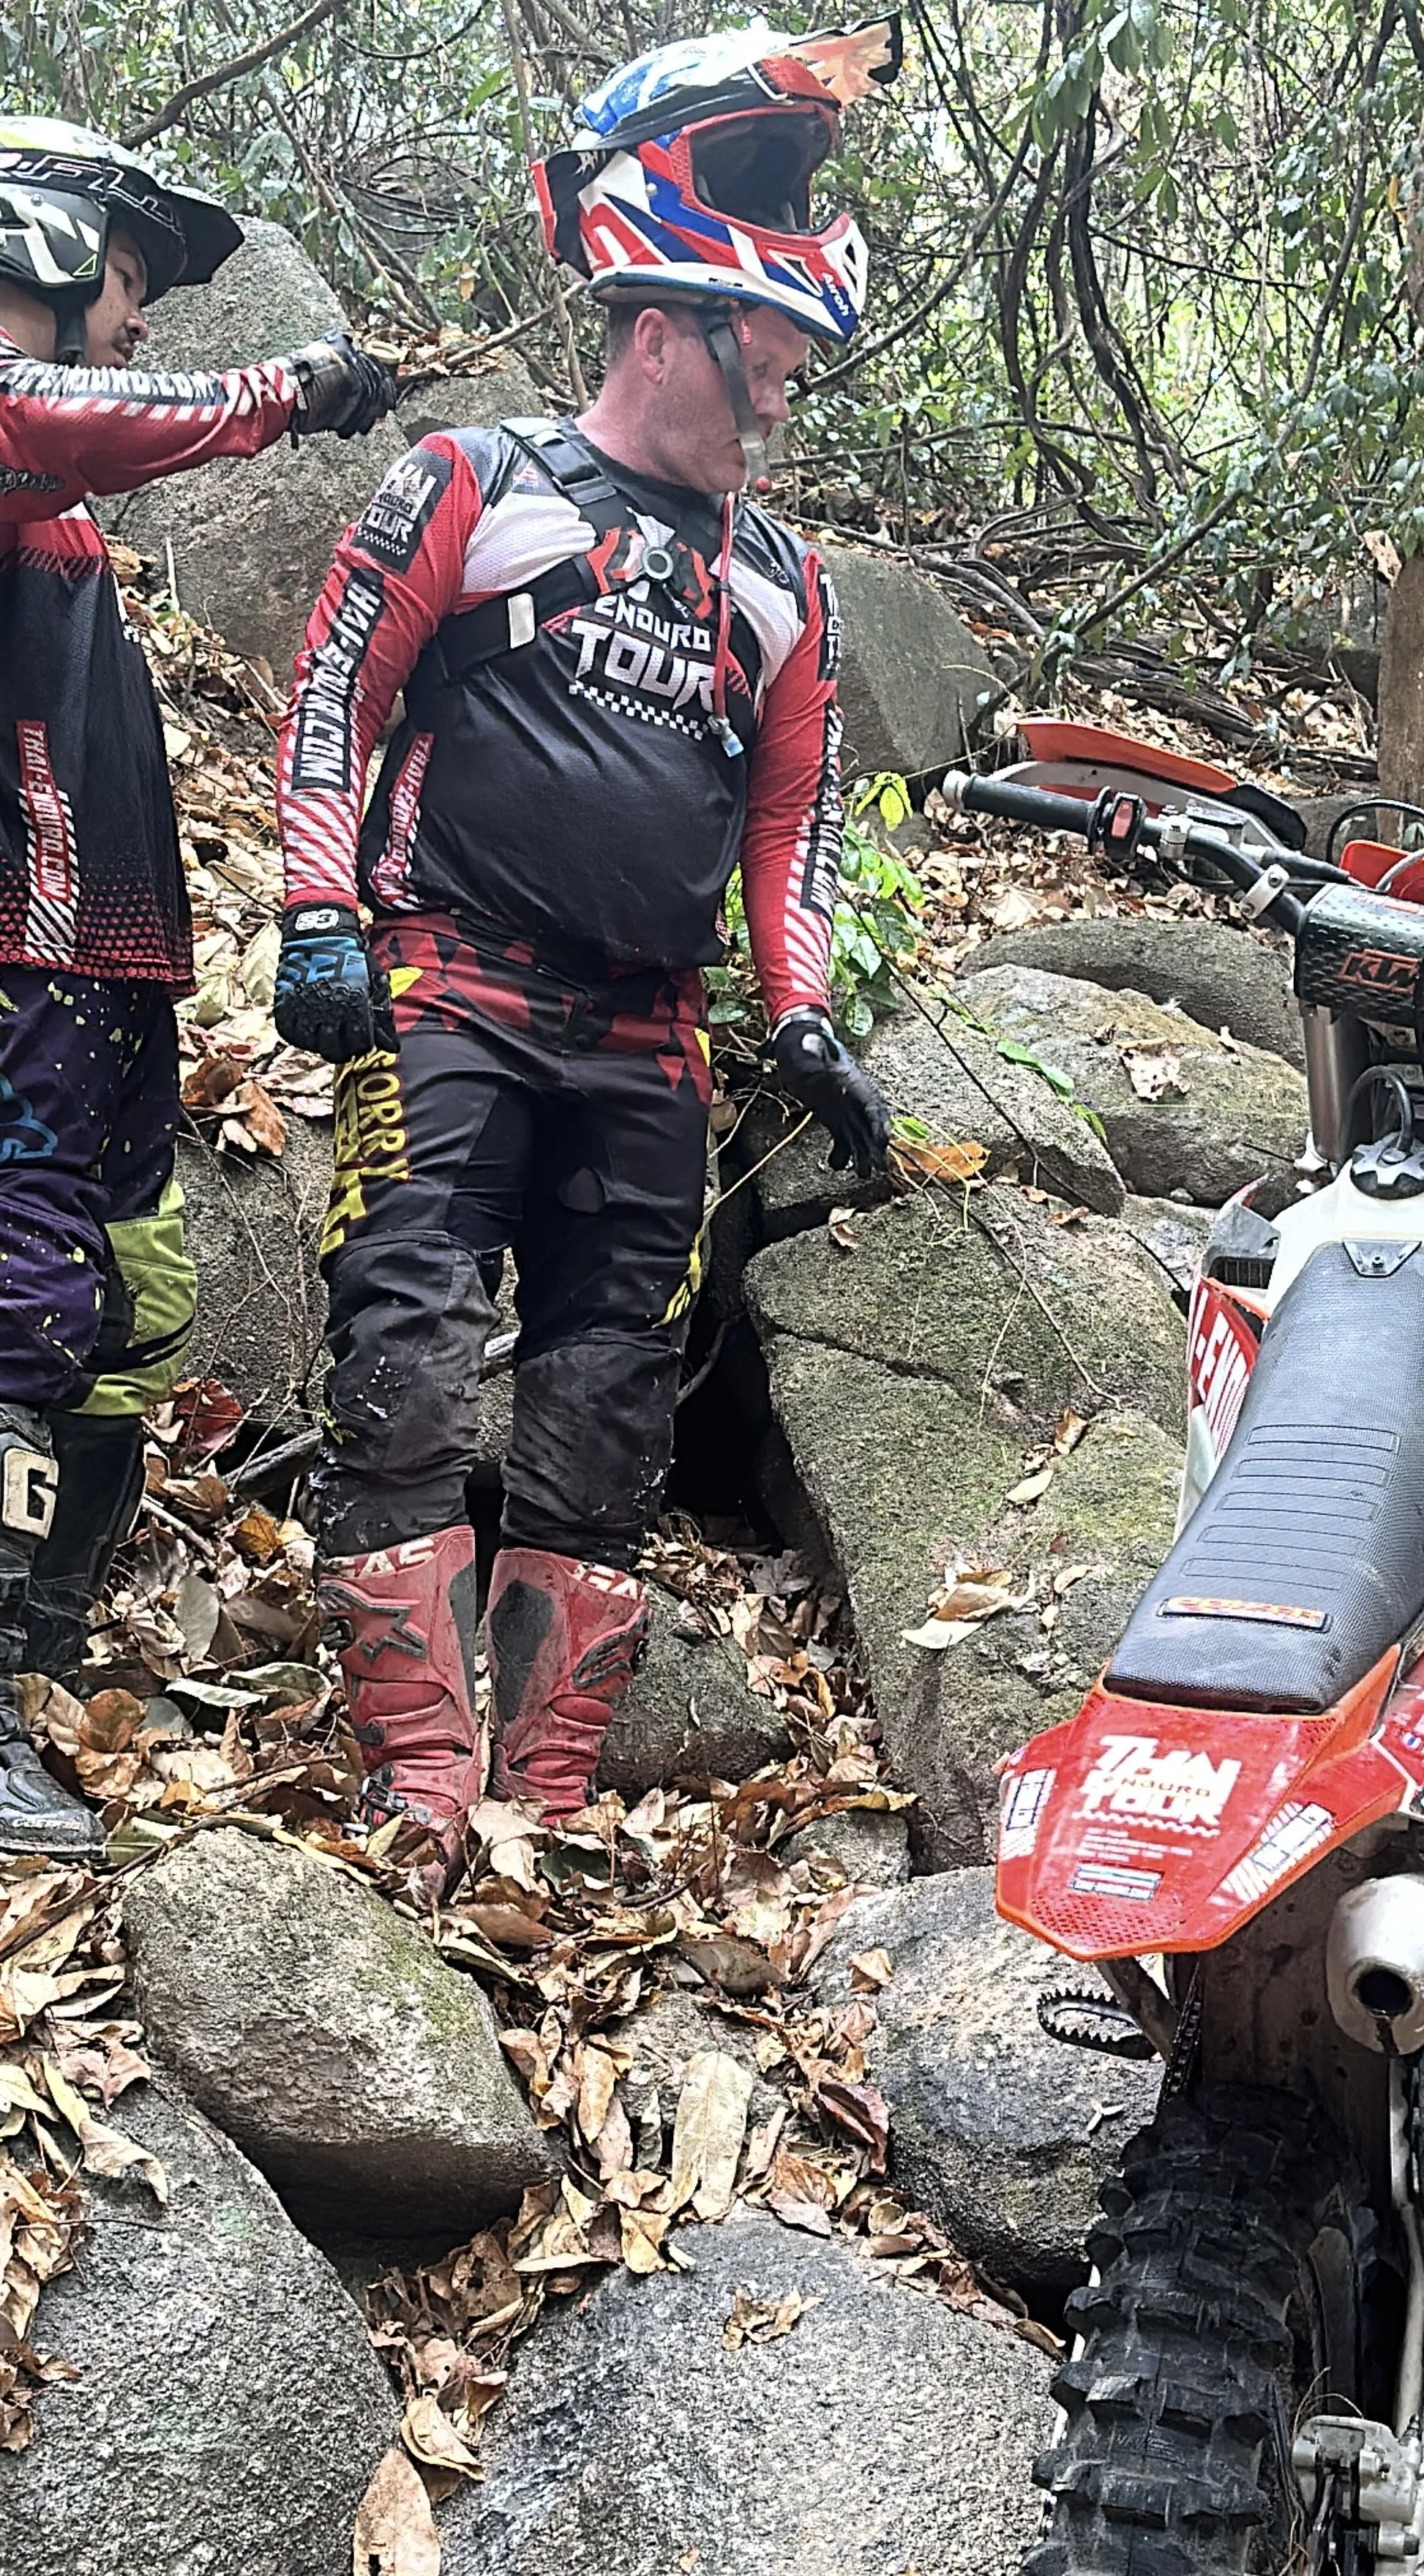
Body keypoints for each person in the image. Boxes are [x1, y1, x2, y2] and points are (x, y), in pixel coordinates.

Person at [273, 20, 901, 1878]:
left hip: (650, 1037)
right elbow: (332, 693)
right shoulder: (467, 479)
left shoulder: (790, 587)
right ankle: (416, 1774)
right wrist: (316, 909)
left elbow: (790, 824)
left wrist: (802, 1018)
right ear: (658, 328)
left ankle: (538, 1790)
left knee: (608, 1399)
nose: (784, 393)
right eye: (766, 358)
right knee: (399, 1349)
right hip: (445, 982)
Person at [0, 118, 395, 1856]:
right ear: (49, 255)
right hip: (12, 960)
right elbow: (74, 417)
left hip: (106, 971)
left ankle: (45, 1664)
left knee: (129, 1311)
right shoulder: (18, 424)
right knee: (20, 1309)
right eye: (131, 287)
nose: (141, 325)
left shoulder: (58, 496)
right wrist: (290, 389)